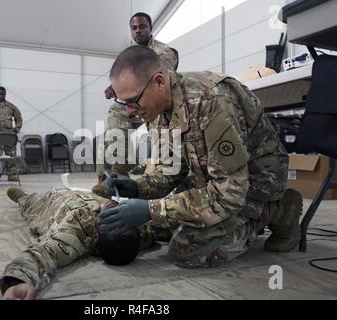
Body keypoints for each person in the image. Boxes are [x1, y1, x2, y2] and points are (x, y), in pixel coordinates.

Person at [97, 45, 303, 269]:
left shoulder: (212, 101)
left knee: (188, 249)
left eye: (132, 101)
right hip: (212, 178)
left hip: (254, 181)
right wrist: (136, 188)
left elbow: (230, 193)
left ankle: (277, 209)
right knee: (157, 228)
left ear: (158, 82)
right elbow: (170, 172)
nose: (128, 112)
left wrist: (150, 209)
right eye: (123, 103)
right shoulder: (158, 110)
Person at [0, 187, 157, 300]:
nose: (117, 213)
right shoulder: (142, 230)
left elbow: (40, 255)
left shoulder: (72, 235)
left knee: (32, 203)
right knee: (99, 190)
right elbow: (163, 222)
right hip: (87, 196)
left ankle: (24, 198)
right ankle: (99, 190)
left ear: (96, 231)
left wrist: (16, 282)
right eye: (123, 221)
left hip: (50, 203)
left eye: (111, 218)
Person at [92, 12, 179, 196]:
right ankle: (108, 176)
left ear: (150, 28)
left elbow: (157, 85)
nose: (138, 31)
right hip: (140, 102)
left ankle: (120, 170)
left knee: (120, 117)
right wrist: (115, 89)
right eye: (134, 28)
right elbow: (127, 81)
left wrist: (128, 93)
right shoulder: (132, 56)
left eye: (142, 27)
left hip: (159, 103)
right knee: (113, 120)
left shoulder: (164, 52)